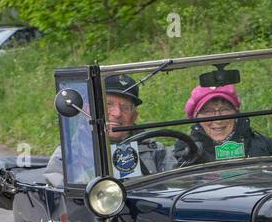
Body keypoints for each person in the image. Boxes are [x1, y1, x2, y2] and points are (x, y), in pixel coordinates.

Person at [43, 73, 174, 181]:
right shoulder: (67, 155)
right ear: (89, 110)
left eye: (126, 107)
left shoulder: (156, 151)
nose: (117, 113)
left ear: (134, 116)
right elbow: (61, 199)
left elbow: (177, 188)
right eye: (108, 104)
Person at [182, 84, 272, 161]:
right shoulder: (183, 152)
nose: (218, 120)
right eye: (208, 112)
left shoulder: (264, 146)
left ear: (236, 113)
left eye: (225, 110)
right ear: (196, 118)